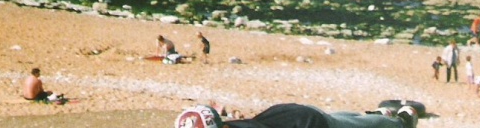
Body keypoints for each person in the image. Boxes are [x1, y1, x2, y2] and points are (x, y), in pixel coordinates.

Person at [176, 103, 417, 128]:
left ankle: (400, 121)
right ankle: (377, 114)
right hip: (283, 115)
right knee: (344, 120)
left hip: (306, 123)